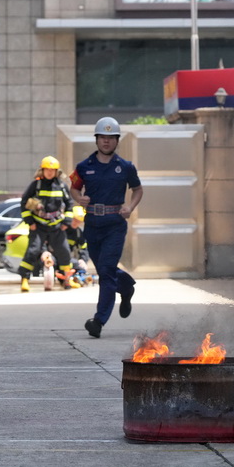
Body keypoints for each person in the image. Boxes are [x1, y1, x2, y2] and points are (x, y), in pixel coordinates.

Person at [69, 117, 143, 338]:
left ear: (117, 140)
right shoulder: (83, 167)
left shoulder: (125, 167)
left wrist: (130, 206)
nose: (107, 141)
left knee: (107, 271)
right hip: (92, 224)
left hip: (115, 226)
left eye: (111, 138)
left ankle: (99, 321)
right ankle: (127, 286)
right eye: (103, 137)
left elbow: (138, 190)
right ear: (97, 139)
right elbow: (74, 188)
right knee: (104, 269)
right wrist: (78, 198)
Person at [18, 156, 74, 292]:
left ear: (57, 172)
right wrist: (30, 222)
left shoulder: (62, 186)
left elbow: (69, 204)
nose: (49, 172)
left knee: (64, 252)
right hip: (38, 226)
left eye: (52, 170)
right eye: (47, 170)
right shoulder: (35, 185)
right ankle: (24, 280)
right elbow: (24, 203)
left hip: (57, 226)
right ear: (42, 170)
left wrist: (67, 221)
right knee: (33, 251)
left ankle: (66, 280)